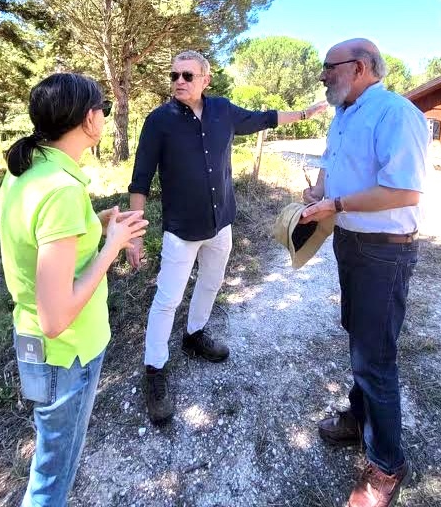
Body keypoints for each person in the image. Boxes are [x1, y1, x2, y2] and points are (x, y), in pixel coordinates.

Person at [127, 50, 327, 424]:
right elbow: (139, 181)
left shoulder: (222, 110)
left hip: (221, 224)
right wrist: (135, 235)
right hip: (182, 230)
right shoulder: (159, 121)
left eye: (187, 75)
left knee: (212, 282)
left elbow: (263, 118)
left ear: (206, 78)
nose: (179, 82)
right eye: (174, 76)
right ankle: (155, 371)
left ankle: (195, 335)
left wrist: (304, 114)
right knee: (167, 299)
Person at [0, 73, 148, 507]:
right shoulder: (62, 190)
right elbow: (56, 316)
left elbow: (41, 240)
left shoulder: (30, 170)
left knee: (49, 458)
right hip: (67, 353)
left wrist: (95, 224)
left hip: (38, 347)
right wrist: (113, 246)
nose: (105, 113)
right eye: (103, 107)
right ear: (89, 119)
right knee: (52, 476)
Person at [299, 39, 428, 507]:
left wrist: (335, 204)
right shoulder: (345, 113)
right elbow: (343, 173)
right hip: (351, 242)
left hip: (384, 252)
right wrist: (320, 192)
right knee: (359, 339)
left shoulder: (395, 114)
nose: (322, 77)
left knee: (374, 357)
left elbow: (404, 192)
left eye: (328, 68)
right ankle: (360, 418)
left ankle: (387, 465)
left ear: (359, 67)